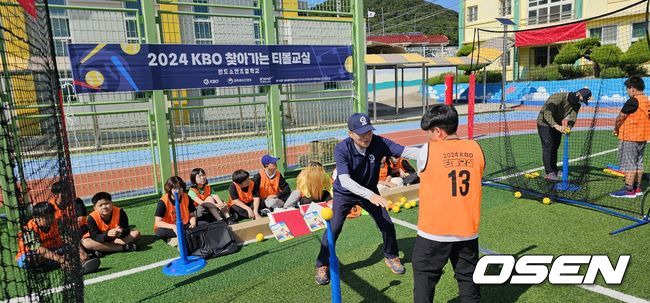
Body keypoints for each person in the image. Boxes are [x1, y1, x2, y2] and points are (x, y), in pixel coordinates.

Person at [314, 113, 419, 285]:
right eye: (361, 133)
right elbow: (346, 180)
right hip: (345, 192)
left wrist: (431, 153)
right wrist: (371, 195)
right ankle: (322, 264)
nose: (366, 136)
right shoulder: (341, 149)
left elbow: (406, 151)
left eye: (369, 131)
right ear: (350, 134)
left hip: (370, 189)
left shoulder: (379, 142)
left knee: (386, 223)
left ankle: (391, 256)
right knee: (334, 227)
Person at [413, 104, 485, 303]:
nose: (428, 137)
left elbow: (423, 173)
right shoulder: (476, 147)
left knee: (424, 278)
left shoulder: (427, 150)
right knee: (468, 278)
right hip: (467, 229)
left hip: (434, 231)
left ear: (438, 131)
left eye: (430, 132)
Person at [16, 202, 100, 274]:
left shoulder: (56, 222)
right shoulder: (28, 229)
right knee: (29, 260)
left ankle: (74, 262)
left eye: (51, 216)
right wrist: (62, 260)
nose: (50, 219)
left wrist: (80, 251)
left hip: (54, 249)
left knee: (72, 248)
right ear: (36, 218)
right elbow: (39, 249)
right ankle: (68, 262)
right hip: (31, 254)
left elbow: (67, 237)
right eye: (46, 217)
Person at [537, 88, 591, 180]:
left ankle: (554, 169)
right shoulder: (557, 97)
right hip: (544, 122)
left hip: (557, 122)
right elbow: (547, 114)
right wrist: (556, 126)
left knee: (555, 146)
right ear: (578, 94)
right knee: (548, 146)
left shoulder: (577, 104)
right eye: (582, 99)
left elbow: (573, 117)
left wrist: (569, 127)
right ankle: (549, 172)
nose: (581, 102)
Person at [611, 76, 650, 198]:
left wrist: (616, 128)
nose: (627, 92)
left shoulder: (633, 101)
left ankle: (629, 190)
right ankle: (637, 188)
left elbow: (620, 117)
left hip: (630, 136)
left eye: (627, 89)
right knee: (639, 162)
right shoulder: (646, 100)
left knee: (630, 164)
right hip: (642, 136)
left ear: (632, 89)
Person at [81, 192, 140, 257]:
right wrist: (107, 234)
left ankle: (103, 249)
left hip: (115, 240)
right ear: (95, 208)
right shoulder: (91, 218)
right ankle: (121, 248)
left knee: (136, 234)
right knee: (86, 243)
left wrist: (121, 233)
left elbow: (126, 229)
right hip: (99, 241)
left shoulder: (120, 212)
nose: (104, 207)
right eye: (100, 205)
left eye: (107, 203)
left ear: (112, 203)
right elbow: (95, 236)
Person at [154, 176, 197, 246]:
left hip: (185, 225)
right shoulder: (163, 202)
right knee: (160, 232)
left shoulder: (186, 197)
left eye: (180, 187)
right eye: (175, 188)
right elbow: (158, 222)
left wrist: (193, 224)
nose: (178, 190)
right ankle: (184, 234)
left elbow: (192, 215)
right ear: (170, 189)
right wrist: (173, 227)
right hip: (169, 227)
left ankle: (183, 233)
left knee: (202, 223)